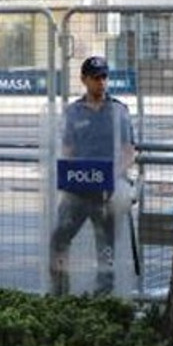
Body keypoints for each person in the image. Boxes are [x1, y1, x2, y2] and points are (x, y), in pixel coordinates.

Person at [49, 56, 135, 296]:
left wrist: (113, 176)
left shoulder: (118, 111)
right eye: (96, 78)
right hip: (77, 190)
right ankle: (60, 295)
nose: (101, 82)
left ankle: (103, 301)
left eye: (105, 77)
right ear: (84, 80)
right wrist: (65, 175)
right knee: (59, 238)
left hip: (107, 192)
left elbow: (129, 152)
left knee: (106, 250)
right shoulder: (73, 112)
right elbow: (67, 151)